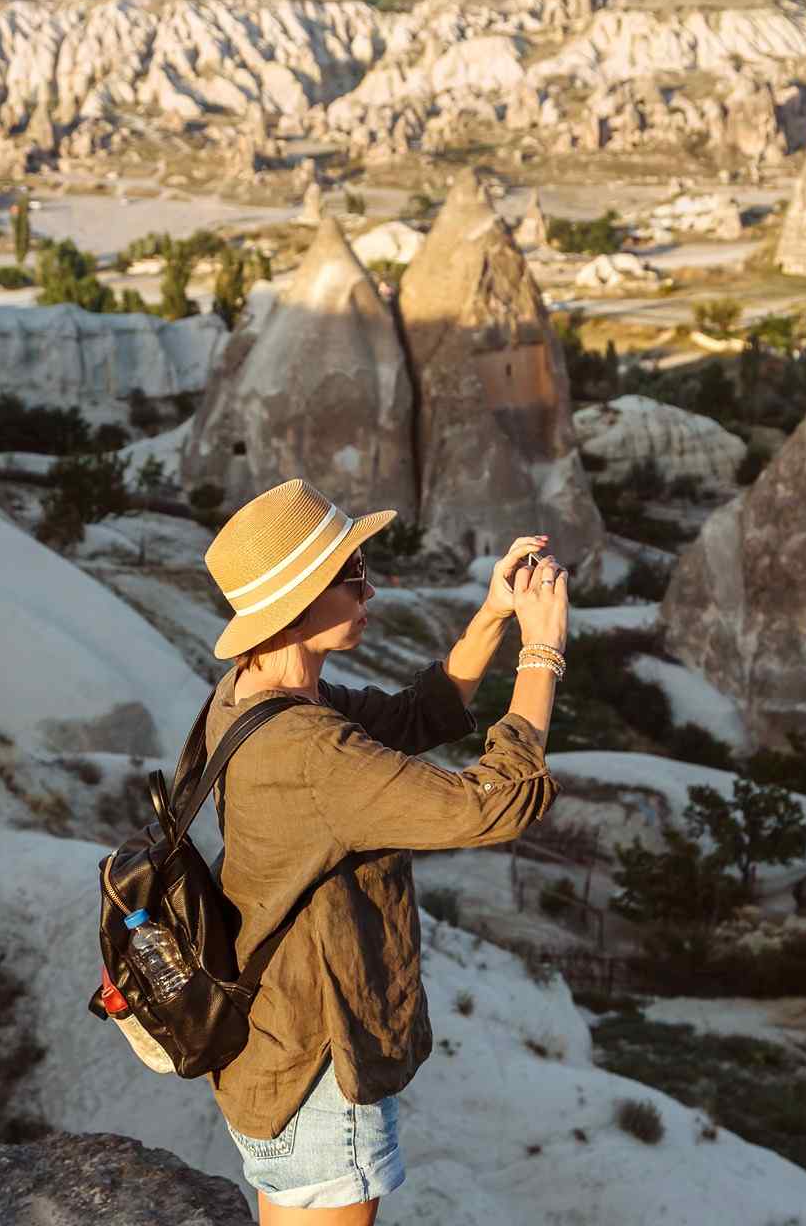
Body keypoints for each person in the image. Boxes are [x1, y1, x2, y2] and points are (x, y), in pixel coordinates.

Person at [199, 478, 569, 1225]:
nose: (372, 590)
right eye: (354, 575)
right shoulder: (308, 748)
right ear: (301, 601)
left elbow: (414, 715)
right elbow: (498, 802)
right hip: (317, 1064)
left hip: (274, 1047)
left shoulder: (253, 697)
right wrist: (543, 652)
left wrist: (494, 616)